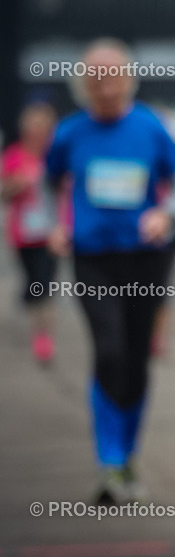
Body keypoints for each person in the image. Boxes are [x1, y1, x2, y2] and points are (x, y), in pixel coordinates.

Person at [45, 38, 175, 504]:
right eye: (96, 79)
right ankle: (109, 461)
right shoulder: (70, 133)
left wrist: (165, 214)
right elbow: (50, 183)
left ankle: (127, 456)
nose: (105, 87)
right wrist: (56, 223)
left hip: (145, 258)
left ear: (128, 80)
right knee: (108, 351)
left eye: (113, 77)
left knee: (134, 357)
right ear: (82, 85)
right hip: (92, 259)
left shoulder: (151, 126)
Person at [1, 103, 59, 364]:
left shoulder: (55, 155)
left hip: (52, 232)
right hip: (24, 233)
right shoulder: (13, 155)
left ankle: (43, 336)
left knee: (45, 283)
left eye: (43, 128)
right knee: (33, 281)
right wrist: (18, 183)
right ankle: (30, 300)